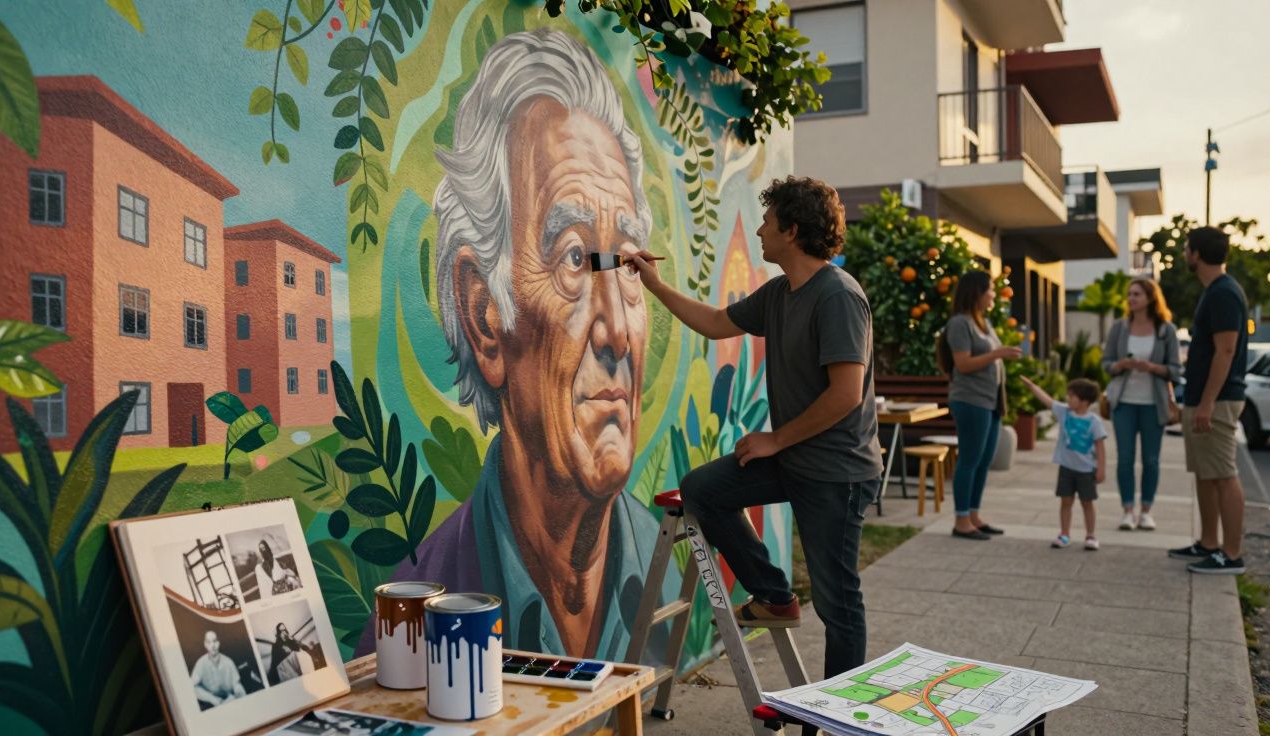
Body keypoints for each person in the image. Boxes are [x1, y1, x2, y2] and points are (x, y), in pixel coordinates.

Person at [364, 28, 669, 661]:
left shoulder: (663, 570)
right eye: (573, 259)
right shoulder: (417, 622)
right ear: (484, 319)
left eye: (631, 265)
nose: (617, 330)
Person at [629, 175, 883, 684]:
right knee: (705, 489)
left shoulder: (837, 296)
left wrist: (775, 439)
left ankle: (839, 719)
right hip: (795, 461)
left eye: (768, 222)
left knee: (838, 604)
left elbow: (845, 394)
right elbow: (718, 322)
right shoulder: (780, 293)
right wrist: (654, 287)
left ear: (791, 230)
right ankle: (772, 595)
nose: (761, 230)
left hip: (837, 473)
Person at [1168, 226, 1249, 574]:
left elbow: (1226, 350)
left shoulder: (1224, 294)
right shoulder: (1215, 292)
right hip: (1204, 398)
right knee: (1205, 473)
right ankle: (1208, 542)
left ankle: (1231, 555)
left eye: (1187, 247)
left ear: (1197, 253)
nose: (1185, 253)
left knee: (1223, 475)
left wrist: (1206, 403)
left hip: (1216, 400)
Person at [939, 270, 1020, 540]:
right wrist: (998, 353)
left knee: (984, 461)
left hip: (991, 401)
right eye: (991, 290)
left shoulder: (982, 322)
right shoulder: (960, 324)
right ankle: (961, 520)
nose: (994, 294)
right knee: (970, 460)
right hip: (971, 400)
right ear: (977, 292)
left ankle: (973, 514)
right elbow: (963, 364)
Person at [1102, 278, 1182, 531]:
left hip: (1153, 404)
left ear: (1150, 298)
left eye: (1136, 294)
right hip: (1123, 403)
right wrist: (1120, 366)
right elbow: (1106, 364)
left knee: (1151, 460)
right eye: (1129, 294)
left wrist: (1152, 368)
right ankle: (1127, 510)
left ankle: (1146, 511)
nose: (1131, 298)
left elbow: (1175, 370)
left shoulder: (1165, 330)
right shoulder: (1119, 328)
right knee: (1125, 459)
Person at [1022, 377, 1107, 550]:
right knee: (1065, 502)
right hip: (1066, 468)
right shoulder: (1064, 412)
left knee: (1087, 503)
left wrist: (1101, 469)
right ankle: (1064, 534)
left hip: (1086, 470)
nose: (1067, 399)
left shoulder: (1094, 421)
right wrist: (1032, 386)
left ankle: (1090, 535)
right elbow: (1047, 400)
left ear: (1084, 401)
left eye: (1071, 396)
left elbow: (1100, 446)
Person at [191, 630, 246, 708]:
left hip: (229, 700)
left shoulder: (228, 662)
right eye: (209, 642)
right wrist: (212, 699)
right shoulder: (201, 663)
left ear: (219, 643)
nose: (213, 645)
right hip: (210, 703)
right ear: (205, 644)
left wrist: (238, 691)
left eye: (215, 641)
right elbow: (192, 686)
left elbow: (236, 684)